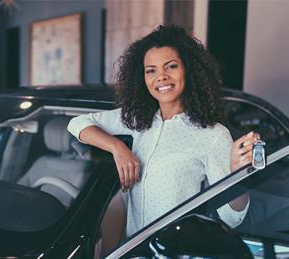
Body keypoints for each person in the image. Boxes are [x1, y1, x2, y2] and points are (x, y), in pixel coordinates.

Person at [67, 25, 259, 236]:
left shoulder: (213, 135)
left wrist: (237, 174)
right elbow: (77, 124)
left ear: (189, 69)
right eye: (151, 70)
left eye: (171, 66)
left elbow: (232, 218)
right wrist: (117, 147)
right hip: (132, 251)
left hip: (171, 250)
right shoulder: (136, 120)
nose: (161, 76)